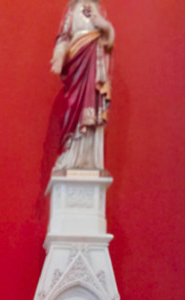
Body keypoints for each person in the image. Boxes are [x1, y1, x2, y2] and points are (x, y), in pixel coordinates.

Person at [50, 1, 114, 172]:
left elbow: (109, 40)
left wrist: (105, 26)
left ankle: (89, 158)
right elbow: (63, 38)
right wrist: (59, 55)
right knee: (73, 108)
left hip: (95, 61)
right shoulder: (72, 9)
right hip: (76, 64)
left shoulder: (99, 8)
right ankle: (71, 153)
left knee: (92, 107)